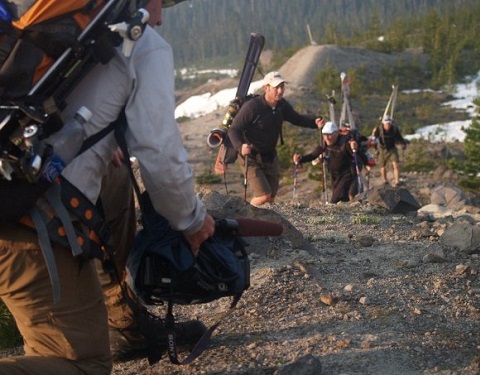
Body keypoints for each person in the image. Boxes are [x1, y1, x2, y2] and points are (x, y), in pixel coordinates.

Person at [0, 0, 214, 373]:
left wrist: (104, 144)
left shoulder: (45, 28)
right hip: (27, 225)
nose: (161, 16)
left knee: (113, 179)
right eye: (162, 2)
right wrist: (193, 222)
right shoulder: (141, 43)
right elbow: (161, 155)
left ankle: (125, 322)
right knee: (82, 365)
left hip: (12, 195)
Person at [228, 71, 325, 206]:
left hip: (269, 155)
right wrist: (240, 147)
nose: (280, 91)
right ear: (266, 88)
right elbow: (234, 129)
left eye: (282, 87)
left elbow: (296, 118)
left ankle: (260, 222)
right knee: (264, 196)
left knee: (271, 197)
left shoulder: (281, 106)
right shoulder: (253, 107)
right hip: (250, 156)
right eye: (276, 87)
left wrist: (314, 123)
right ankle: (246, 215)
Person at [293, 121, 361, 204]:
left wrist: (354, 147)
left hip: (347, 175)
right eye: (324, 135)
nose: (327, 137)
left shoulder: (345, 143)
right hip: (334, 175)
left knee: (335, 200)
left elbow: (356, 153)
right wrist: (300, 159)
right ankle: (348, 215)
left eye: (330, 134)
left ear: (336, 133)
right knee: (341, 199)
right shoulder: (324, 145)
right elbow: (313, 155)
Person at [371, 115, 408, 186]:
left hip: (392, 149)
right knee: (382, 165)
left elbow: (399, 138)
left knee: (395, 164)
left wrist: (403, 143)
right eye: (386, 124)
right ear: (383, 124)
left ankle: (397, 181)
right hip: (382, 149)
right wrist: (374, 146)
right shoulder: (379, 129)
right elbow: (374, 138)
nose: (388, 126)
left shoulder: (394, 129)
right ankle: (384, 180)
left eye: (389, 124)